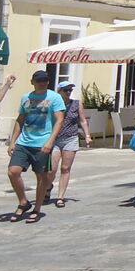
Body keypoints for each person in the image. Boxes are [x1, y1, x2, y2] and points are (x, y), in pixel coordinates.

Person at [7, 70, 65, 223]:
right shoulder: (26, 97)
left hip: (42, 143)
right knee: (13, 172)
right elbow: (20, 119)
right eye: (39, 80)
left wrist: (50, 142)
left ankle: (37, 208)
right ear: (32, 82)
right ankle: (24, 202)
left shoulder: (54, 97)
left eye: (45, 80)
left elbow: (59, 120)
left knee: (41, 177)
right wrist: (13, 141)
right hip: (24, 142)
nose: (42, 83)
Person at [49, 80, 92, 208]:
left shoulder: (76, 104)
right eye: (65, 90)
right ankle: (47, 187)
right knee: (52, 169)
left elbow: (83, 120)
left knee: (65, 168)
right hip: (54, 139)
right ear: (59, 92)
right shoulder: (52, 104)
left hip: (70, 138)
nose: (68, 92)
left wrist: (87, 135)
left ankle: (60, 197)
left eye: (70, 90)